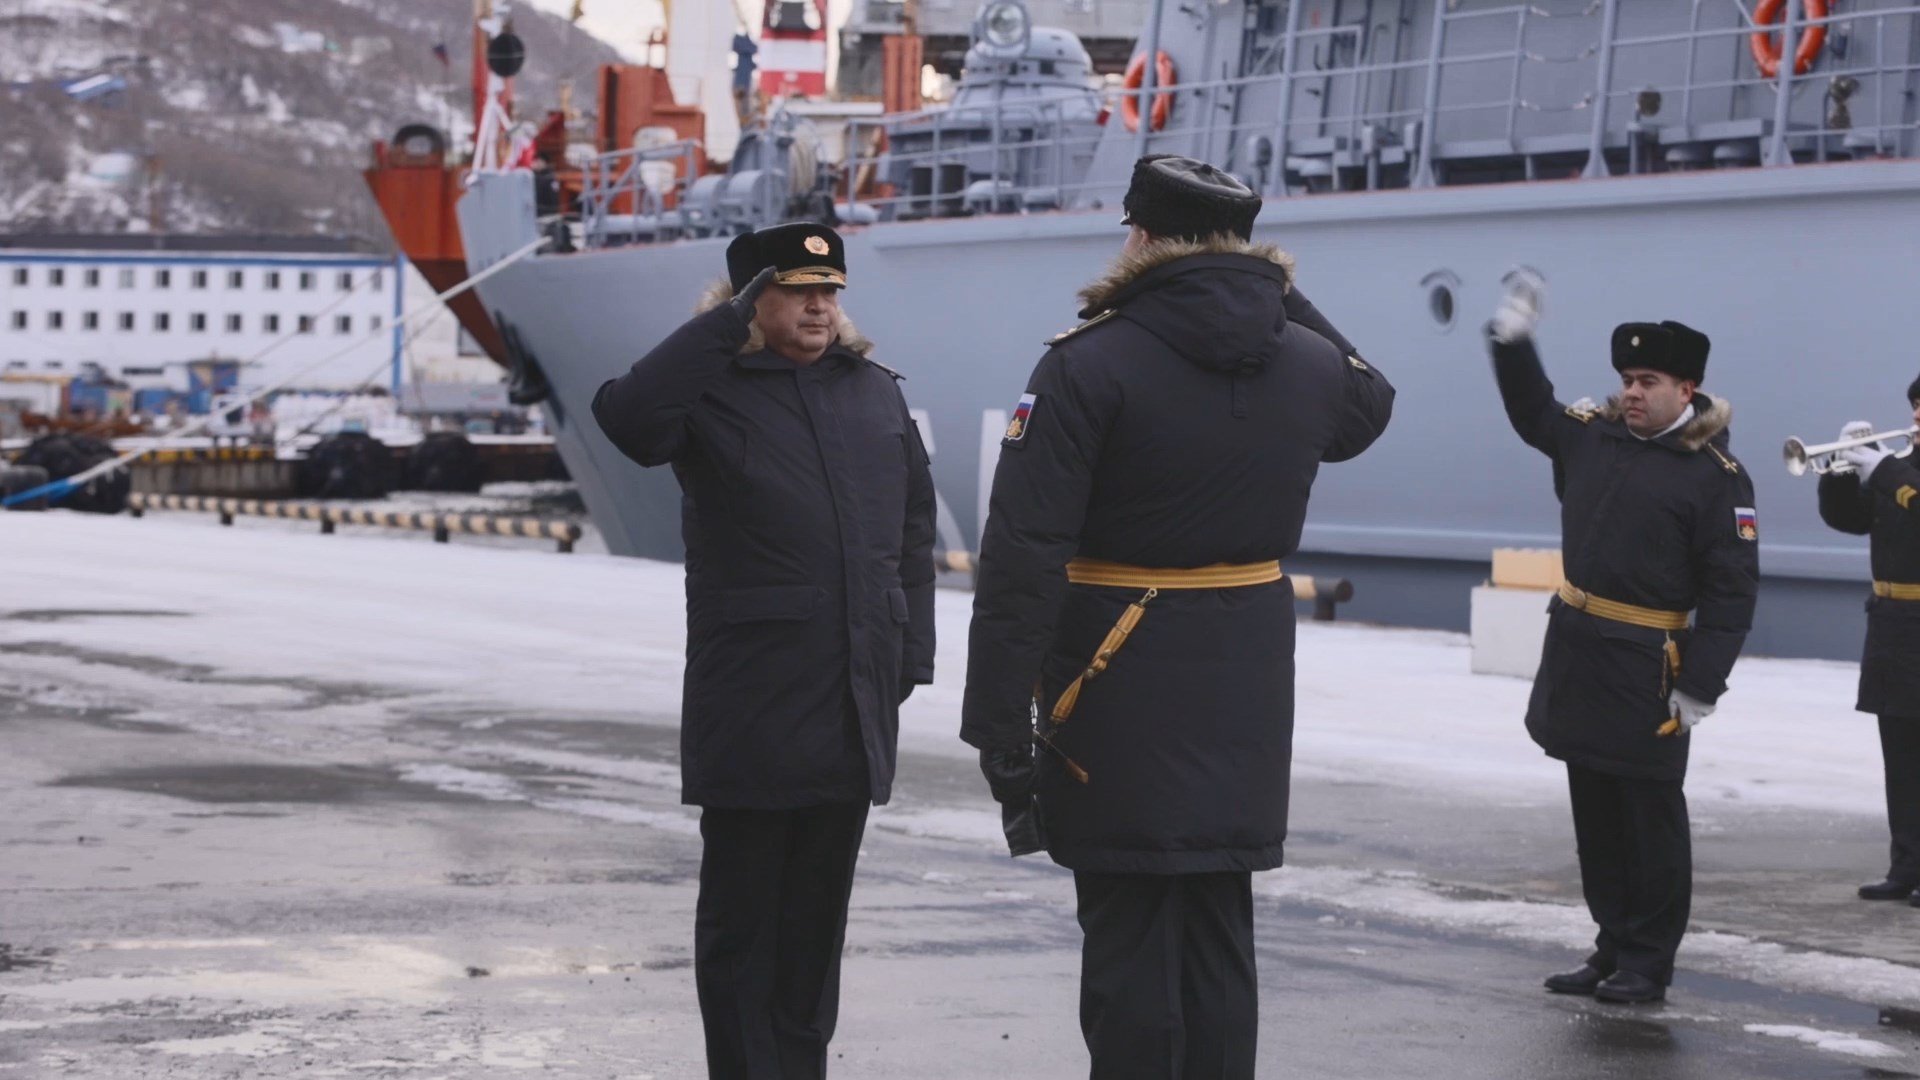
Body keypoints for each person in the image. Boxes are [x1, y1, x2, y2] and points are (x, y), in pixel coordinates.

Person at [961, 155, 1394, 1078]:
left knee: (1129, 941)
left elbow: (1023, 553)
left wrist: (996, 720)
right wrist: (1273, 292)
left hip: (1113, 679)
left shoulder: (1087, 360)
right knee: (1218, 934)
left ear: (1143, 238)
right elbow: (1370, 407)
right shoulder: (1311, 362)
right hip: (1246, 685)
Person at [591, 222, 936, 1079]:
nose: (820, 307)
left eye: (830, 292)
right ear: (751, 300)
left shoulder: (873, 392)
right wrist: (722, 327)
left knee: (815, 931)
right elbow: (626, 419)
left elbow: (912, 533)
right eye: (797, 290)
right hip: (755, 700)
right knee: (745, 931)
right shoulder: (708, 390)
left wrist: (909, 656)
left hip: (853, 700)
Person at [1484, 270, 1758, 1004]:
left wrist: (1701, 684)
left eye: (1648, 382)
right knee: (1597, 815)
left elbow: (1732, 594)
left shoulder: (1716, 477)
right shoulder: (1593, 437)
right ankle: (1611, 943)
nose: (1632, 393)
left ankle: (1648, 959)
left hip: (1649, 669)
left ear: (1687, 389)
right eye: (1627, 380)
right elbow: (1531, 410)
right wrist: (1512, 342)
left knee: (1649, 822)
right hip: (1581, 653)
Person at [1814, 376, 1920, 904]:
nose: (1917, 416)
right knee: (1900, 756)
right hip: (1893, 625)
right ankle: (1907, 866)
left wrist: (1885, 471)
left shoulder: (1896, 470)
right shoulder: (1899, 465)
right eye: (1917, 406)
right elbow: (1850, 520)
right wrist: (1840, 469)